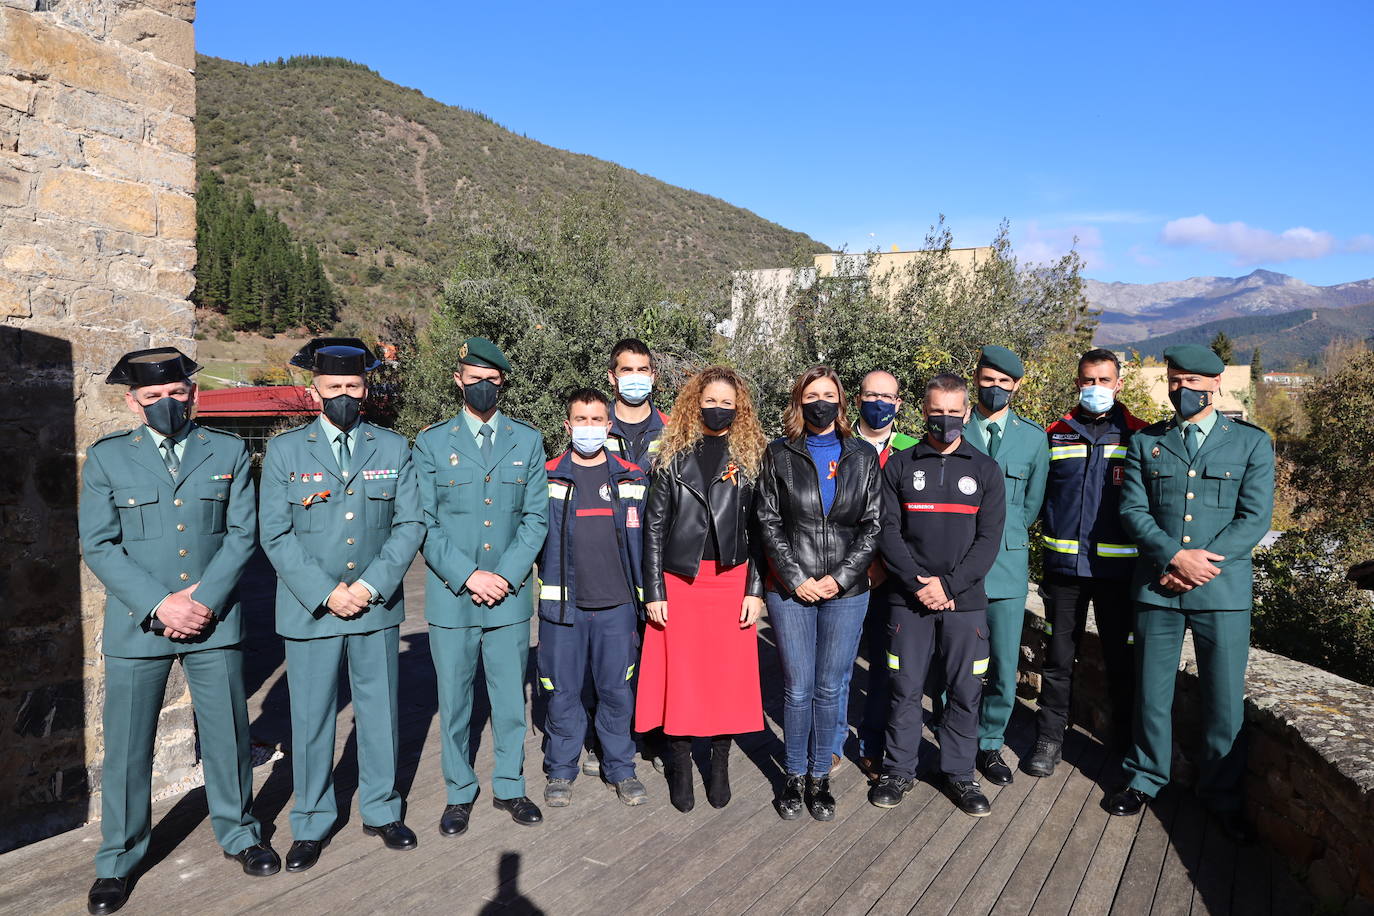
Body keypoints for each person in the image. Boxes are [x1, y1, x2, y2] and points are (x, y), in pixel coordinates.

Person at [79, 348, 279, 915]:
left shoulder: (229, 450)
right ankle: (118, 858)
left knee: (228, 733)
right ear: (131, 401)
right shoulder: (108, 459)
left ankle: (240, 833)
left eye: (177, 394)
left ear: (191, 393)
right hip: (140, 622)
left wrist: (205, 600)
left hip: (213, 620)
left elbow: (243, 533)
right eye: (153, 398)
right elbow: (98, 543)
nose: (168, 404)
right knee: (127, 746)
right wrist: (160, 604)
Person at [259, 338, 425, 872]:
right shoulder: (285, 451)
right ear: (315, 392)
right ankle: (310, 820)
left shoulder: (393, 448)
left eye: (353, 387)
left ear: (366, 389)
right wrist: (327, 591)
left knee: (379, 713)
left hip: (375, 606)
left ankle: (381, 808)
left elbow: (410, 523)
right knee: (310, 719)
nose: (344, 397)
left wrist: (371, 586)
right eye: (334, 388)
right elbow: (275, 532)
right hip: (313, 608)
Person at [1106, 345, 1274, 844]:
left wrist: (1198, 565)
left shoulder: (1250, 443)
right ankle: (1145, 778)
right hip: (1158, 587)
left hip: (1221, 592)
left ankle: (1220, 795)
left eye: (1195, 380)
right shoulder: (1146, 443)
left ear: (1216, 384)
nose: (1183, 389)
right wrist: (1173, 558)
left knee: (1224, 701)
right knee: (1150, 694)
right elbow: (1133, 511)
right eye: (1176, 380)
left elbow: (1254, 518)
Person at [412, 337, 549, 835]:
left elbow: (536, 518)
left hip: (509, 596)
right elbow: (423, 521)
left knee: (511, 697)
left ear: (503, 383)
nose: (484, 388)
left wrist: (505, 576)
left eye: (492, 381)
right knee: (455, 700)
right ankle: (458, 792)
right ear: (458, 381)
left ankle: (511, 785)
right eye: (475, 380)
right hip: (453, 595)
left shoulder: (527, 441)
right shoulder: (430, 443)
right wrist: (469, 575)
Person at [870, 373, 1006, 817]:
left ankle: (960, 774)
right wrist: (920, 585)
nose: (945, 420)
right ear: (923, 412)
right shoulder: (901, 466)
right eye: (936, 412)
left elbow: (989, 541)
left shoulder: (985, 470)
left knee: (965, 691)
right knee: (904, 688)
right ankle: (898, 770)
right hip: (908, 602)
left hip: (965, 604)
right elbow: (888, 533)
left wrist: (948, 586)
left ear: (967, 413)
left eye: (953, 411)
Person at [637, 365, 768, 812]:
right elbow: (653, 527)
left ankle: (718, 762)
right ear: (697, 402)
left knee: (724, 681)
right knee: (682, 678)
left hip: (731, 581)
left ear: (739, 408)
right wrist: (653, 589)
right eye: (709, 400)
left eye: (726, 403)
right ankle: (678, 763)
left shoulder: (753, 456)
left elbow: (760, 529)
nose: (717, 408)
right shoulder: (673, 454)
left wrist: (755, 589)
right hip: (680, 581)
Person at [757, 366, 881, 820]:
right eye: (812, 395)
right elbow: (767, 523)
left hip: (846, 591)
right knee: (797, 688)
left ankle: (820, 777)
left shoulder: (863, 456)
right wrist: (796, 578)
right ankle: (792, 776)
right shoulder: (779, 455)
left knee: (830, 688)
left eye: (829, 394)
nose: (820, 402)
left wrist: (841, 577)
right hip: (791, 591)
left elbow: (872, 526)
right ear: (799, 401)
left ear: (841, 403)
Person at [1028, 348, 1147, 776]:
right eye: (1087, 381)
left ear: (1118, 384)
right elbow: (1036, 500)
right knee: (1058, 659)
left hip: (1119, 575)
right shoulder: (1054, 433)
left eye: (1103, 380)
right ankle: (1048, 740)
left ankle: (1123, 746)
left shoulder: (1140, 436)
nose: (1095, 389)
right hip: (1063, 572)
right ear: (1077, 383)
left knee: (1122, 663)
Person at [537, 388, 649, 808]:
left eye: (596, 420)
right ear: (567, 426)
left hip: (618, 606)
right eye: (580, 420)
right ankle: (561, 768)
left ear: (609, 426)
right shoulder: (547, 475)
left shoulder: (631, 476)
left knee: (617, 690)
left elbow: (648, 540)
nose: (589, 428)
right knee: (562, 690)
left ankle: (620, 766)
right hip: (563, 607)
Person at [963, 346, 1049, 787]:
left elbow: (1031, 506)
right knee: (954, 661)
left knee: (1001, 664)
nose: (994, 388)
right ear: (975, 378)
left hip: (1007, 568)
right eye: (988, 379)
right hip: (957, 565)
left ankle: (991, 742)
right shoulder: (953, 426)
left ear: (1016, 386)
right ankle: (954, 737)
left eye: (1004, 382)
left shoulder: (1034, 438)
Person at [847, 370, 919, 779]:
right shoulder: (839, 444)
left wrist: (890, 566)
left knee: (883, 665)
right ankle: (833, 739)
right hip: (843, 575)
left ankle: (873, 742)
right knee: (836, 664)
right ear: (858, 399)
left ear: (899, 403)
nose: (879, 403)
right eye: (871, 395)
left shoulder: (912, 450)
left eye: (887, 396)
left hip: (891, 577)